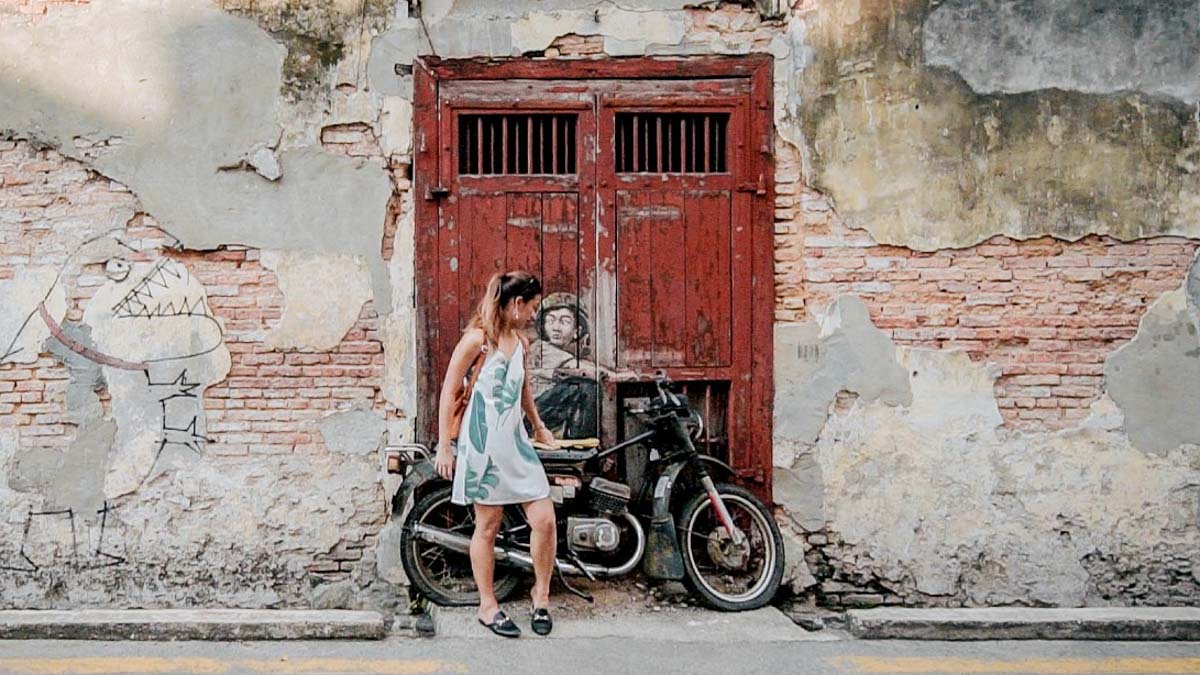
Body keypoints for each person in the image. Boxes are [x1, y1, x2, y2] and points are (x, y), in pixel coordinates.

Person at [433, 270, 557, 638]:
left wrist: (538, 426)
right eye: (533, 307)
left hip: (516, 445)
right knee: (487, 527)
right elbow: (448, 390)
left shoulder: (520, 342)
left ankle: (542, 595)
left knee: (545, 520)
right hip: (483, 447)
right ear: (517, 304)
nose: (535, 315)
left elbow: (523, 390)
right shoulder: (477, 340)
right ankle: (488, 606)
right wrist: (444, 444)